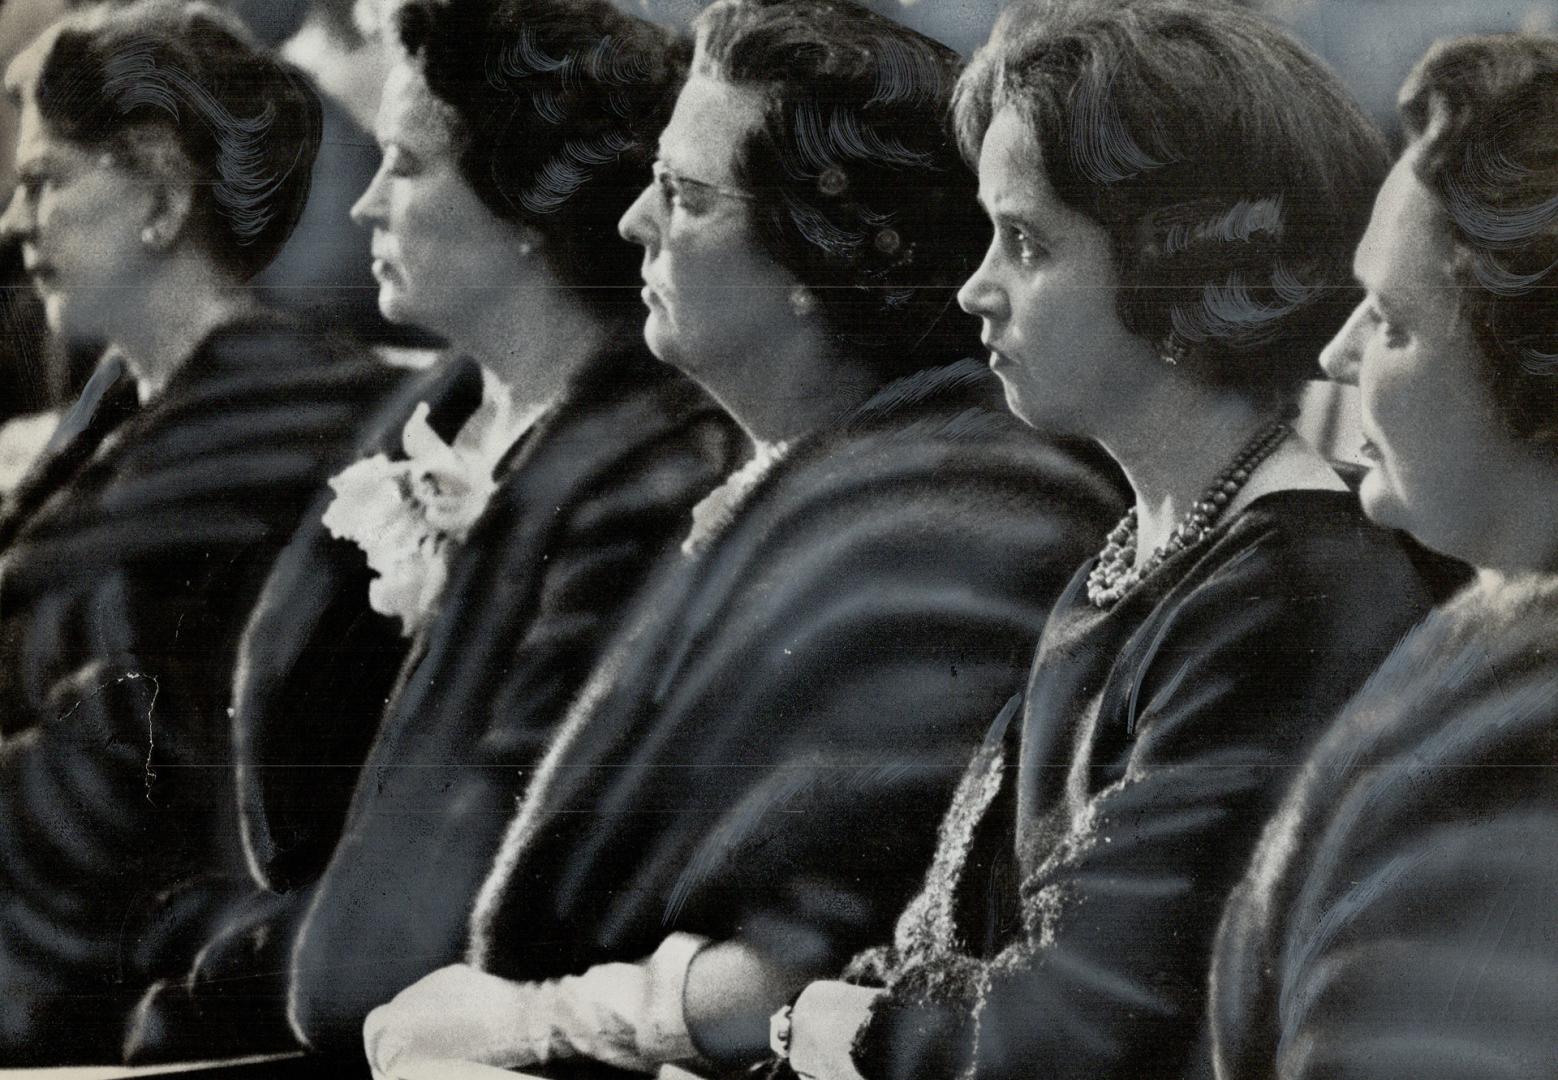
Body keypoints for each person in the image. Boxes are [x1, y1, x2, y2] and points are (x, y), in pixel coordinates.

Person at [359, 0, 1126, 1075]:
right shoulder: (797, 486)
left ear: (817, 259)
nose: (634, 222)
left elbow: (817, 958)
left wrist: (538, 1021)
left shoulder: (954, 517)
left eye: (682, 196)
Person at [772, 2, 1443, 1078]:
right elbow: (941, 945)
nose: (972, 289)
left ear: (1174, 272)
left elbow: (1079, 1034)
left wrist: (836, 1031)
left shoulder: (1294, 593)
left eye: (1026, 244)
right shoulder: (1146, 548)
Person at [122, 0, 746, 1062]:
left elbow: (512, 885)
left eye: (405, 167)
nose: (365, 205)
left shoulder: (651, 476)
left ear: (520, 205)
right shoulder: (438, 412)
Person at [0, 0, 398, 1062]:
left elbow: (147, 755)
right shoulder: (114, 409)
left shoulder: (294, 424)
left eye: (45, 181)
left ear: (164, 196)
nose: (13, 221)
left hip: (150, 963)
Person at [1210, 33, 1558, 1080]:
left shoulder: (1521, 748)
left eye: (1394, 321)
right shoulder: (1486, 621)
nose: (1337, 355)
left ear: (1531, 378)